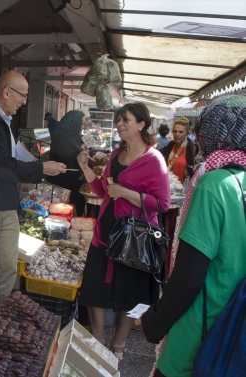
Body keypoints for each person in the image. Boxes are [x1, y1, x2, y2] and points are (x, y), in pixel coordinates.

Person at [141, 95, 246, 377]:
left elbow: (189, 278)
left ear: (210, 134)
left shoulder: (215, 185)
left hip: (201, 335)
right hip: (237, 336)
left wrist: (155, 322)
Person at [0, 70, 66, 304]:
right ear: (7, 92)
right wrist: (41, 169)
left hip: (6, 205)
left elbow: (12, 155)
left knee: (7, 268)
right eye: (23, 95)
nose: (25, 101)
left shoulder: (5, 121)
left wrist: (37, 165)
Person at [76, 102, 170, 362]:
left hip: (133, 239)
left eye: (125, 119)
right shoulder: (116, 155)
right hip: (104, 234)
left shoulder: (154, 160)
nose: (119, 124)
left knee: (130, 291)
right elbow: (104, 192)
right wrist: (85, 168)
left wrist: (126, 193)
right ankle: (98, 339)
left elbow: (161, 203)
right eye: (118, 119)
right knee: (95, 287)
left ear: (141, 124)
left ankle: (119, 343)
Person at [46, 109, 90, 216]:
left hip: (70, 184)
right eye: (81, 123)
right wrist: (80, 173)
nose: (82, 126)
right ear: (74, 122)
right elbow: (66, 162)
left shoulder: (71, 136)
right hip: (63, 186)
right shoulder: (62, 138)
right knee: (64, 215)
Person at [160, 117, 196, 183]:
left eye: (181, 132)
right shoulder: (171, 145)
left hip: (183, 189)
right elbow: (158, 153)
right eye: (175, 131)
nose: (177, 134)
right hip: (169, 185)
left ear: (187, 133)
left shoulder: (191, 147)